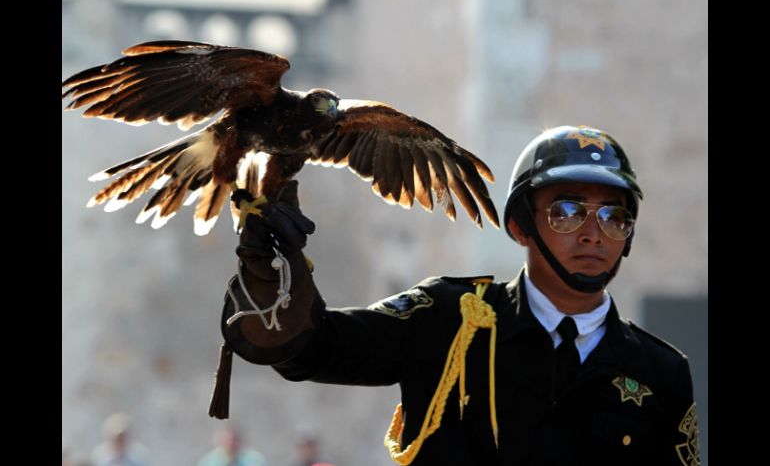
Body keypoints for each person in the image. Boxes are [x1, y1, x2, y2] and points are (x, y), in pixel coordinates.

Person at [213, 125, 700, 466]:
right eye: (567, 211)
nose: (593, 234)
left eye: (614, 217)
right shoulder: (447, 318)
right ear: (520, 226)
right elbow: (314, 348)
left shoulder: (661, 372)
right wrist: (275, 270)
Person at [197, 424, 267, 466]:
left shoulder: (254, 461)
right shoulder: (210, 462)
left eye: (234, 440)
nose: (231, 444)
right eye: (227, 440)